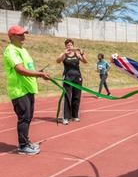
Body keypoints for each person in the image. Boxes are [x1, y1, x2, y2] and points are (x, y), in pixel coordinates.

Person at [2, 25, 50, 155]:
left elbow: (28, 67)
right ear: (11, 37)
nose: (24, 36)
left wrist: (38, 73)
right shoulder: (11, 50)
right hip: (19, 90)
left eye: (24, 34)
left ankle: (26, 141)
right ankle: (23, 146)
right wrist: (39, 75)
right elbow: (20, 70)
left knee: (28, 117)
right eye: (20, 34)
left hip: (28, 89)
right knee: (24, 117)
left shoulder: (22, 49)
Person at [56, 39, 88, 125]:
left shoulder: (77, 54)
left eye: (70, 45)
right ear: (65, 46)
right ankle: (65, 117)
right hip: (67, 78)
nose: (69, 46)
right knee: (67, 97)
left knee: (76, 97)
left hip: (77, 78)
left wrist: (82, 53)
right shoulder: (64, 54)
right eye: (67, 45)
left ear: (73, 46)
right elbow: (58, 60)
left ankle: (75, 116)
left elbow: (85, 61)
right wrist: (63, 53)